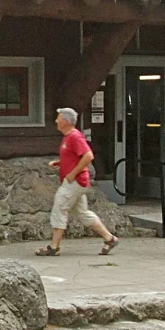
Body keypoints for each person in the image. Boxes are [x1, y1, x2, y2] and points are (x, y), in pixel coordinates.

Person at [36, 107, 120, 256]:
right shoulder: (69, 136)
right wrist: (60, 163)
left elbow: (88, 156)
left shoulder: (75, 136)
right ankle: (110, 239)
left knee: (59, 208)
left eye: (58, 118)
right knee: (82, 213)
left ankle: (54, 247)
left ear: (66, 121)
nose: (56, 120)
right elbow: (74, 156)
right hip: (76, 181)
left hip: (74, 181)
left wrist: (73, 173)